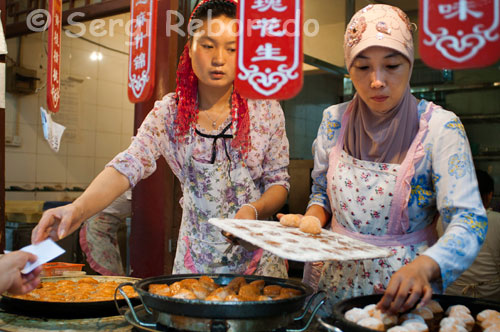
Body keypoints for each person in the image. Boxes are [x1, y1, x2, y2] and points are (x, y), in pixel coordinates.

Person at [32, 0, 289, 277]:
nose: (219, 58)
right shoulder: (169, 112)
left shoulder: (265, 109)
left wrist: (254, 208)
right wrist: (78, 209)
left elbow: (279, 182)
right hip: (197, 260)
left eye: (232, 48)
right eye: (208, 45)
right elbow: (128, 164)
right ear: (189, 48)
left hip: (259, 262)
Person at [285, 4, 487, 314]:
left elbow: (469, 220)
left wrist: (427, 265)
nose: (376, 80)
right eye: (362, 67)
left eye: (391, 65)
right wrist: (313, 218)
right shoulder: (334, 121)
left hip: (402, 293)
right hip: (334, 286)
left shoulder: (438, 129)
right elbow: (322, 193)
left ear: (409, 63)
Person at [444, 169, 500, 301]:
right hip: (491, 299)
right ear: (489, 195)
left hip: (452, 296)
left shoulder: (443, 220)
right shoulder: (497, 220)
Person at [79, 190, 131, 276]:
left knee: (116, 272)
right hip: (97, 229)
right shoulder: (133, 187)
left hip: (109, 228)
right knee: (110, 275)